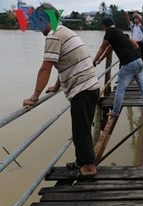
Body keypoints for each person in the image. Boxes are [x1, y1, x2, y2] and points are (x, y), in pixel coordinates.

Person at [22, 3, 99, 178]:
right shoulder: (65, 31)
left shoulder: (54, 36)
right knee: (80, 126)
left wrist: (34, 98)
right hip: (89, 85)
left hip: (83, 88)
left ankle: (89, 167)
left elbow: (46, 68)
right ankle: (81, 161)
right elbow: (64, 63)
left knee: (81, 130)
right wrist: (56, 86)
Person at [92, 16, 143, 117]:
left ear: (104, 26)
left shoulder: (109, 33)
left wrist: (94, 61)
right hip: (138, 60)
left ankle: (115, 111)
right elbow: (110, 48)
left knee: (120, 89)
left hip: (128, 64)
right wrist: (100, 59)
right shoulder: (119, 31)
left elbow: (103, 47)